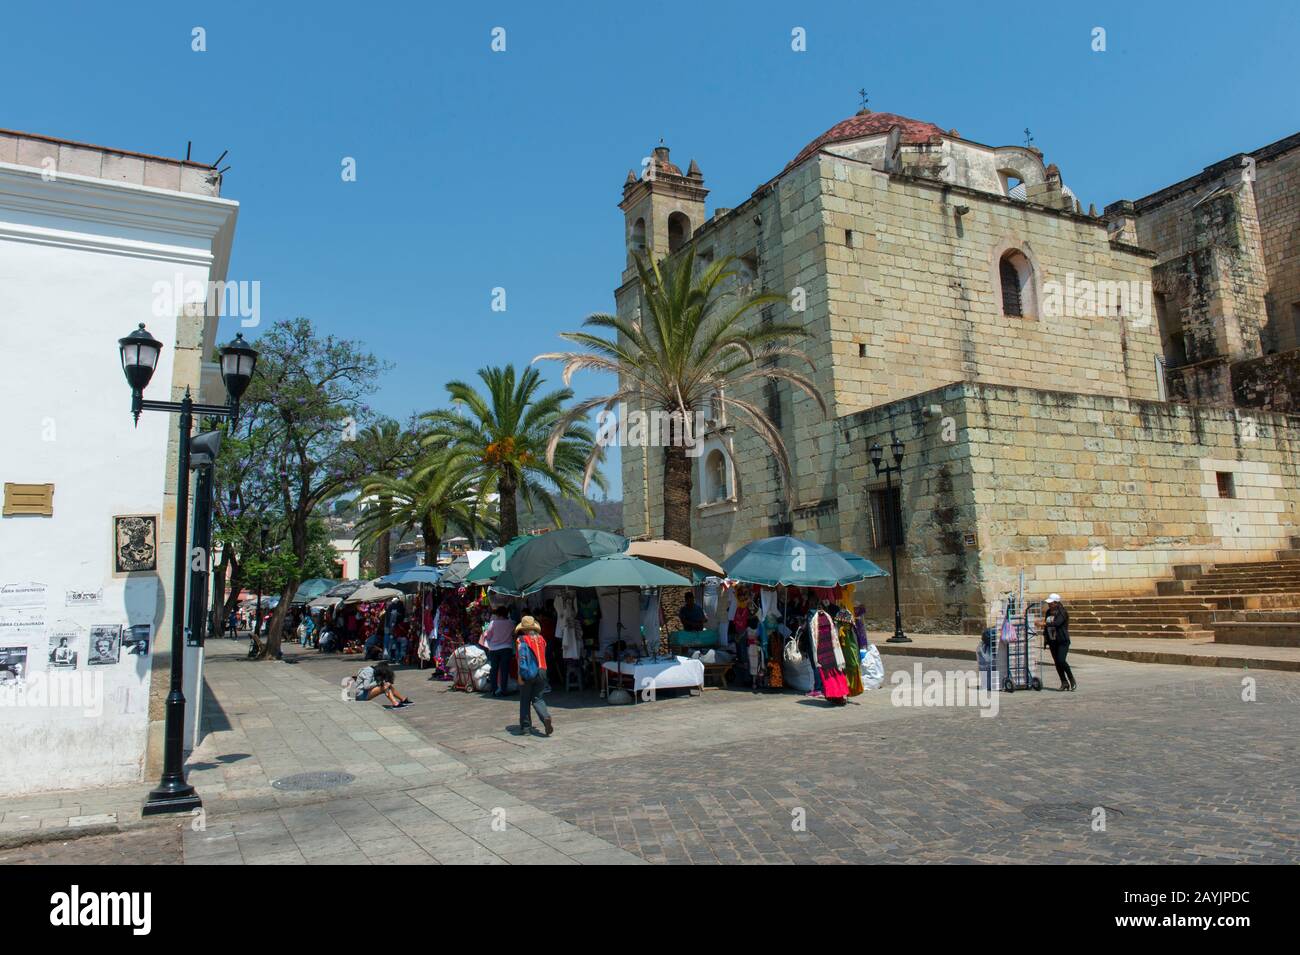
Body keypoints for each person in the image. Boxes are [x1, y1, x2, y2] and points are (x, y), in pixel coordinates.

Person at [514, 616, 553, 736]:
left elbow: (520, 659)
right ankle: (545, 717)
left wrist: (519, 676)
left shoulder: (521, 640)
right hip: (542, 671)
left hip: (528, 672)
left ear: (523, 629)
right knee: (538, 698)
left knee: (525, 699)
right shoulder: (542, 639)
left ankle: (526, 727)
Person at [481, 604, 515, 697]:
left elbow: (489, 635)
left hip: (494, 649)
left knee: (494, 670)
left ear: (498, 614)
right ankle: (504, 690)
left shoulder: (493, 623)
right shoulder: (511, 623)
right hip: (506, 648)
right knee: (504, 670)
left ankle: (494, 689)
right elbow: (513, 634)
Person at [1044, 593, 1076, 692]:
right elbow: (1047, 627)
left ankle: (1071, 679)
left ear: (1056, 603)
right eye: (1049, 603)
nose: (1049, 605)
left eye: (1051, 603)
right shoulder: (1048, 612)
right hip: (1053, 641)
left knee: (1061, 660)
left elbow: (1057, 623)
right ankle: (1064, 682)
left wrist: (1043, 623)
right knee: (1057, 663)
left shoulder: (1062, 612)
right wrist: (1046, 639)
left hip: (1062, 640)